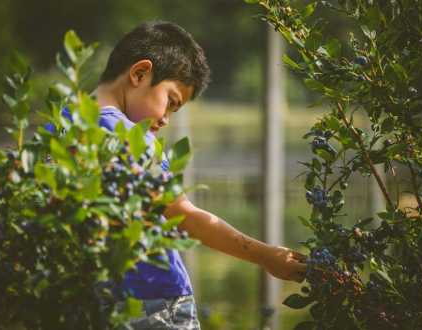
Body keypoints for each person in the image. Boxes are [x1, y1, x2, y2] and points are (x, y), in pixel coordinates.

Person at [49, 21, 307, 329]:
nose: (166, 120)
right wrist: (266, 256)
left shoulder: (59, 124)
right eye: (171, 103)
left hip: (86, 301)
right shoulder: (129, 136)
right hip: (153, 303)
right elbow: (185, 216)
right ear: (140, 73)